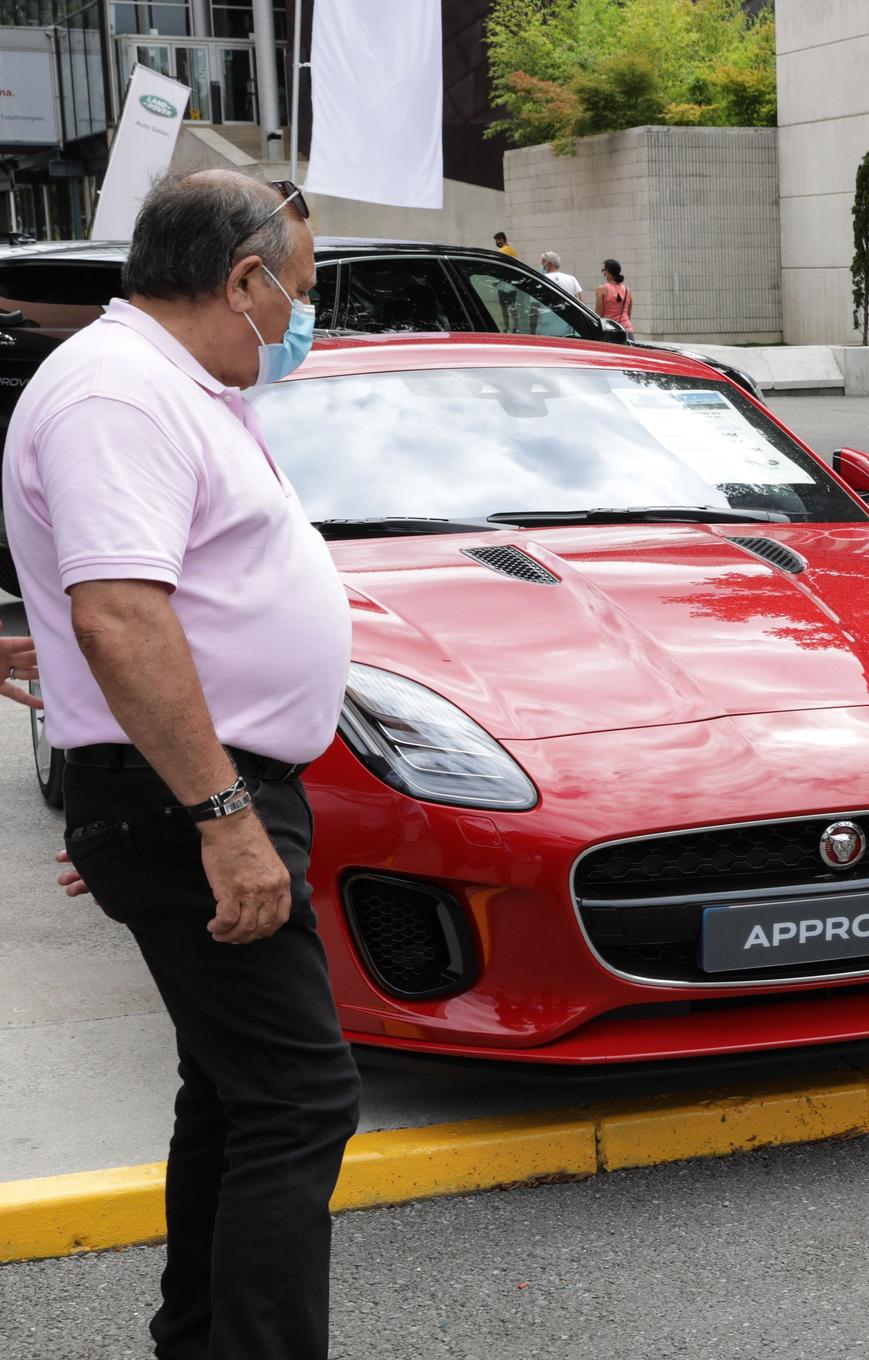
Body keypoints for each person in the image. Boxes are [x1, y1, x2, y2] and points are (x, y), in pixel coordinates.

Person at [0, 169, 361, 1356]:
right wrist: (209, 813)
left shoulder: (173, 386)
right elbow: (118, 613)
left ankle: (202, 1339)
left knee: (234, 1094)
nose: (305, 321)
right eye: (299, 293)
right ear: (244, 278)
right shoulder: (120, 392)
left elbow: (141, 598)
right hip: (207, 796)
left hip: (191, 790)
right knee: (298, 1099)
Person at [597, 258, 633, 331]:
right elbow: (628, 315)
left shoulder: (601, 289)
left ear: (607, 271)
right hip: (626, 329)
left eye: (603, 270)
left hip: (610, 330)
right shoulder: (628, 290)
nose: (603, 273)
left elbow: (598, 315)